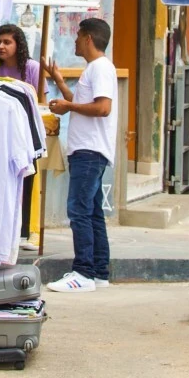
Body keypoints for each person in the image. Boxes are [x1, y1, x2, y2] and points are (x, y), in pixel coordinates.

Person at [46, 16, 116, 291]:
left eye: (77, 36)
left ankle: (83, 273)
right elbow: (82, 103)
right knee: (92, 212)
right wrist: (61, 84)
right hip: (88, 150)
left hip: (90, 150)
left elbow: (103, 108)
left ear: (88, 38)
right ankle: (99, 272)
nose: (74, 41)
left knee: (79, 211)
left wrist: (68, 107)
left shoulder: (100, 68)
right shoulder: (95, 69)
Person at [0, 22, 41, 94]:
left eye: (6, 42)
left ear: (18, 45)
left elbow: (42, 99)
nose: (0, 46)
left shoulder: (33, 67)